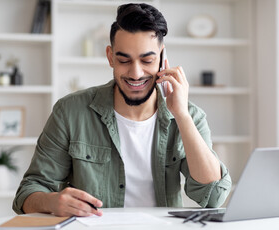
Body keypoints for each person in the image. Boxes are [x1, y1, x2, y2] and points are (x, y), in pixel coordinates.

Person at [13, 3, 232, 217]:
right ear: (110, 57)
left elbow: (213, 196)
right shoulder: (70, 111)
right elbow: (28, 192)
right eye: (124, 60)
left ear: (163, 58)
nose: (136, 73)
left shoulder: (189, 115)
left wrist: (182, 116)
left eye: (147, 60)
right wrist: (52, 202)